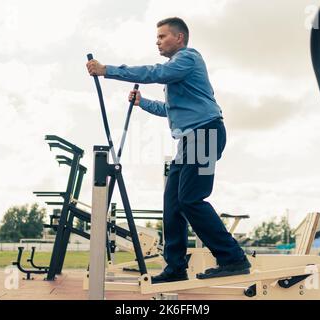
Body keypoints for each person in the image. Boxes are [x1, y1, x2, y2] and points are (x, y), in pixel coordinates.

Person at [87, 17, 251, 283]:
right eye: (157, 37)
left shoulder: (188, 59)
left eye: (162, 37)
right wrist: (143, 103)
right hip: (189, 139)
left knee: (190, 199)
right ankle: (175, 268)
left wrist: (107, 70)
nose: (157, 42)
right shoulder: (177, 73)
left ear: (180, 38)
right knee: (172, 205)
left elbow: (155, 73)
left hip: (206, 133)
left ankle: (233, 258)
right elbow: (169, 109)